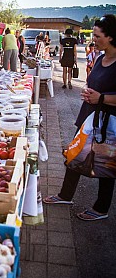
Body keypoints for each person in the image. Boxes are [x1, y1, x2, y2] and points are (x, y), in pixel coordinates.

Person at [43, 14, 116, 221]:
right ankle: (65, 195)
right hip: (89, 116)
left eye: (97, 35)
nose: (93, 39)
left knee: (106, 163)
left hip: (108, 123)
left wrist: (101, 97)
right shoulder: (102, 58)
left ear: (110, 37)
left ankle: (101, 208)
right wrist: (89, 92)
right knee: (74, 154)